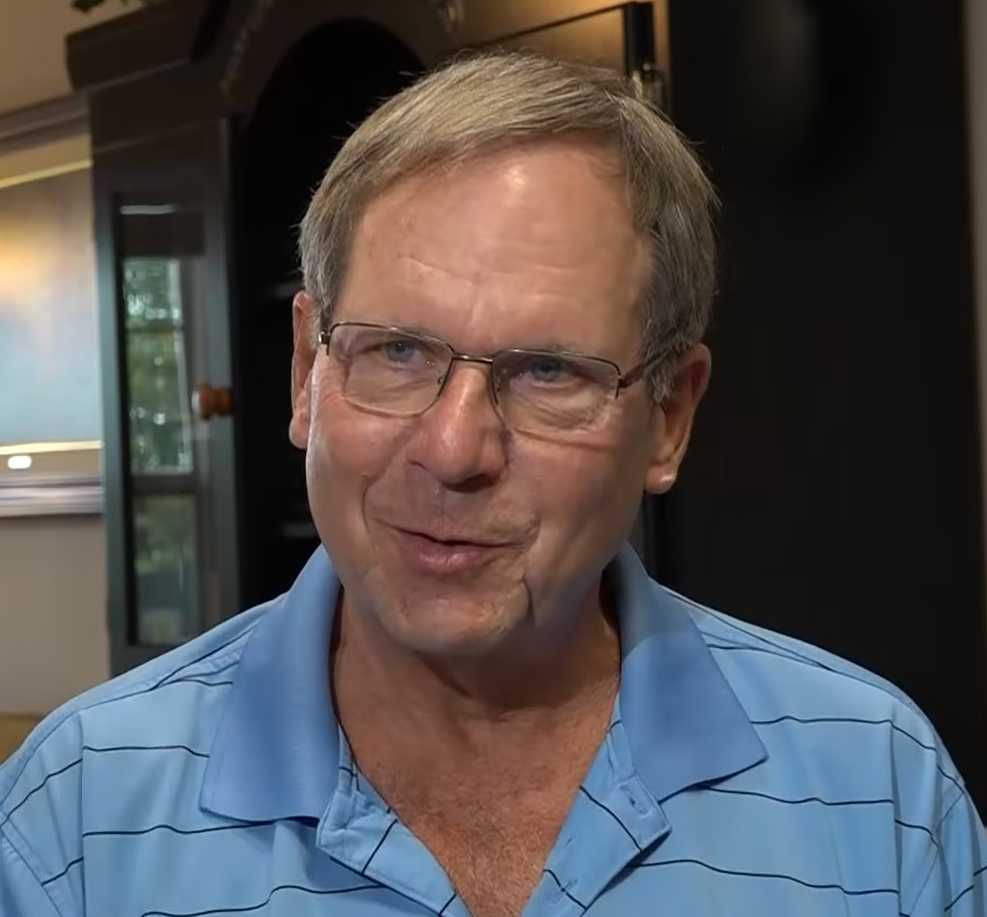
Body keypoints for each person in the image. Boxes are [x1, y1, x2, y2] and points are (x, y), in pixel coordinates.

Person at [1, 51, 984, 917]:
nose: (454, 446)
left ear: (670, 417)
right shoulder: (80, 808)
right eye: (394, 350)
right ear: (307, 371)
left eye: (549, 370)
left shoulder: (877, 787)